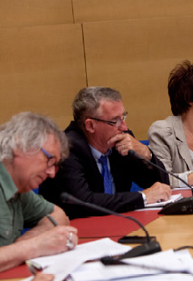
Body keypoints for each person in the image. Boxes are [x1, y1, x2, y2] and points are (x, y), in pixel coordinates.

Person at [40, 87, 172, 219]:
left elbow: (162, 183)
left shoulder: (120, 141)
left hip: (120, 223)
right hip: (77, 230)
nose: (124, 127)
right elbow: (85, 203)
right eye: (115, 121)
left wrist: (146, 152)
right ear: (90, 125)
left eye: (123, 117)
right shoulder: (67, 148)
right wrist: (143, 197)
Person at [0, 112, 78, 280]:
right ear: (19, 146)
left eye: (55, 165)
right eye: (49, 160)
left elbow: (58, 216)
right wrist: (35, 246)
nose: (52, 173)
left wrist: (23, 244)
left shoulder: (16, 185)